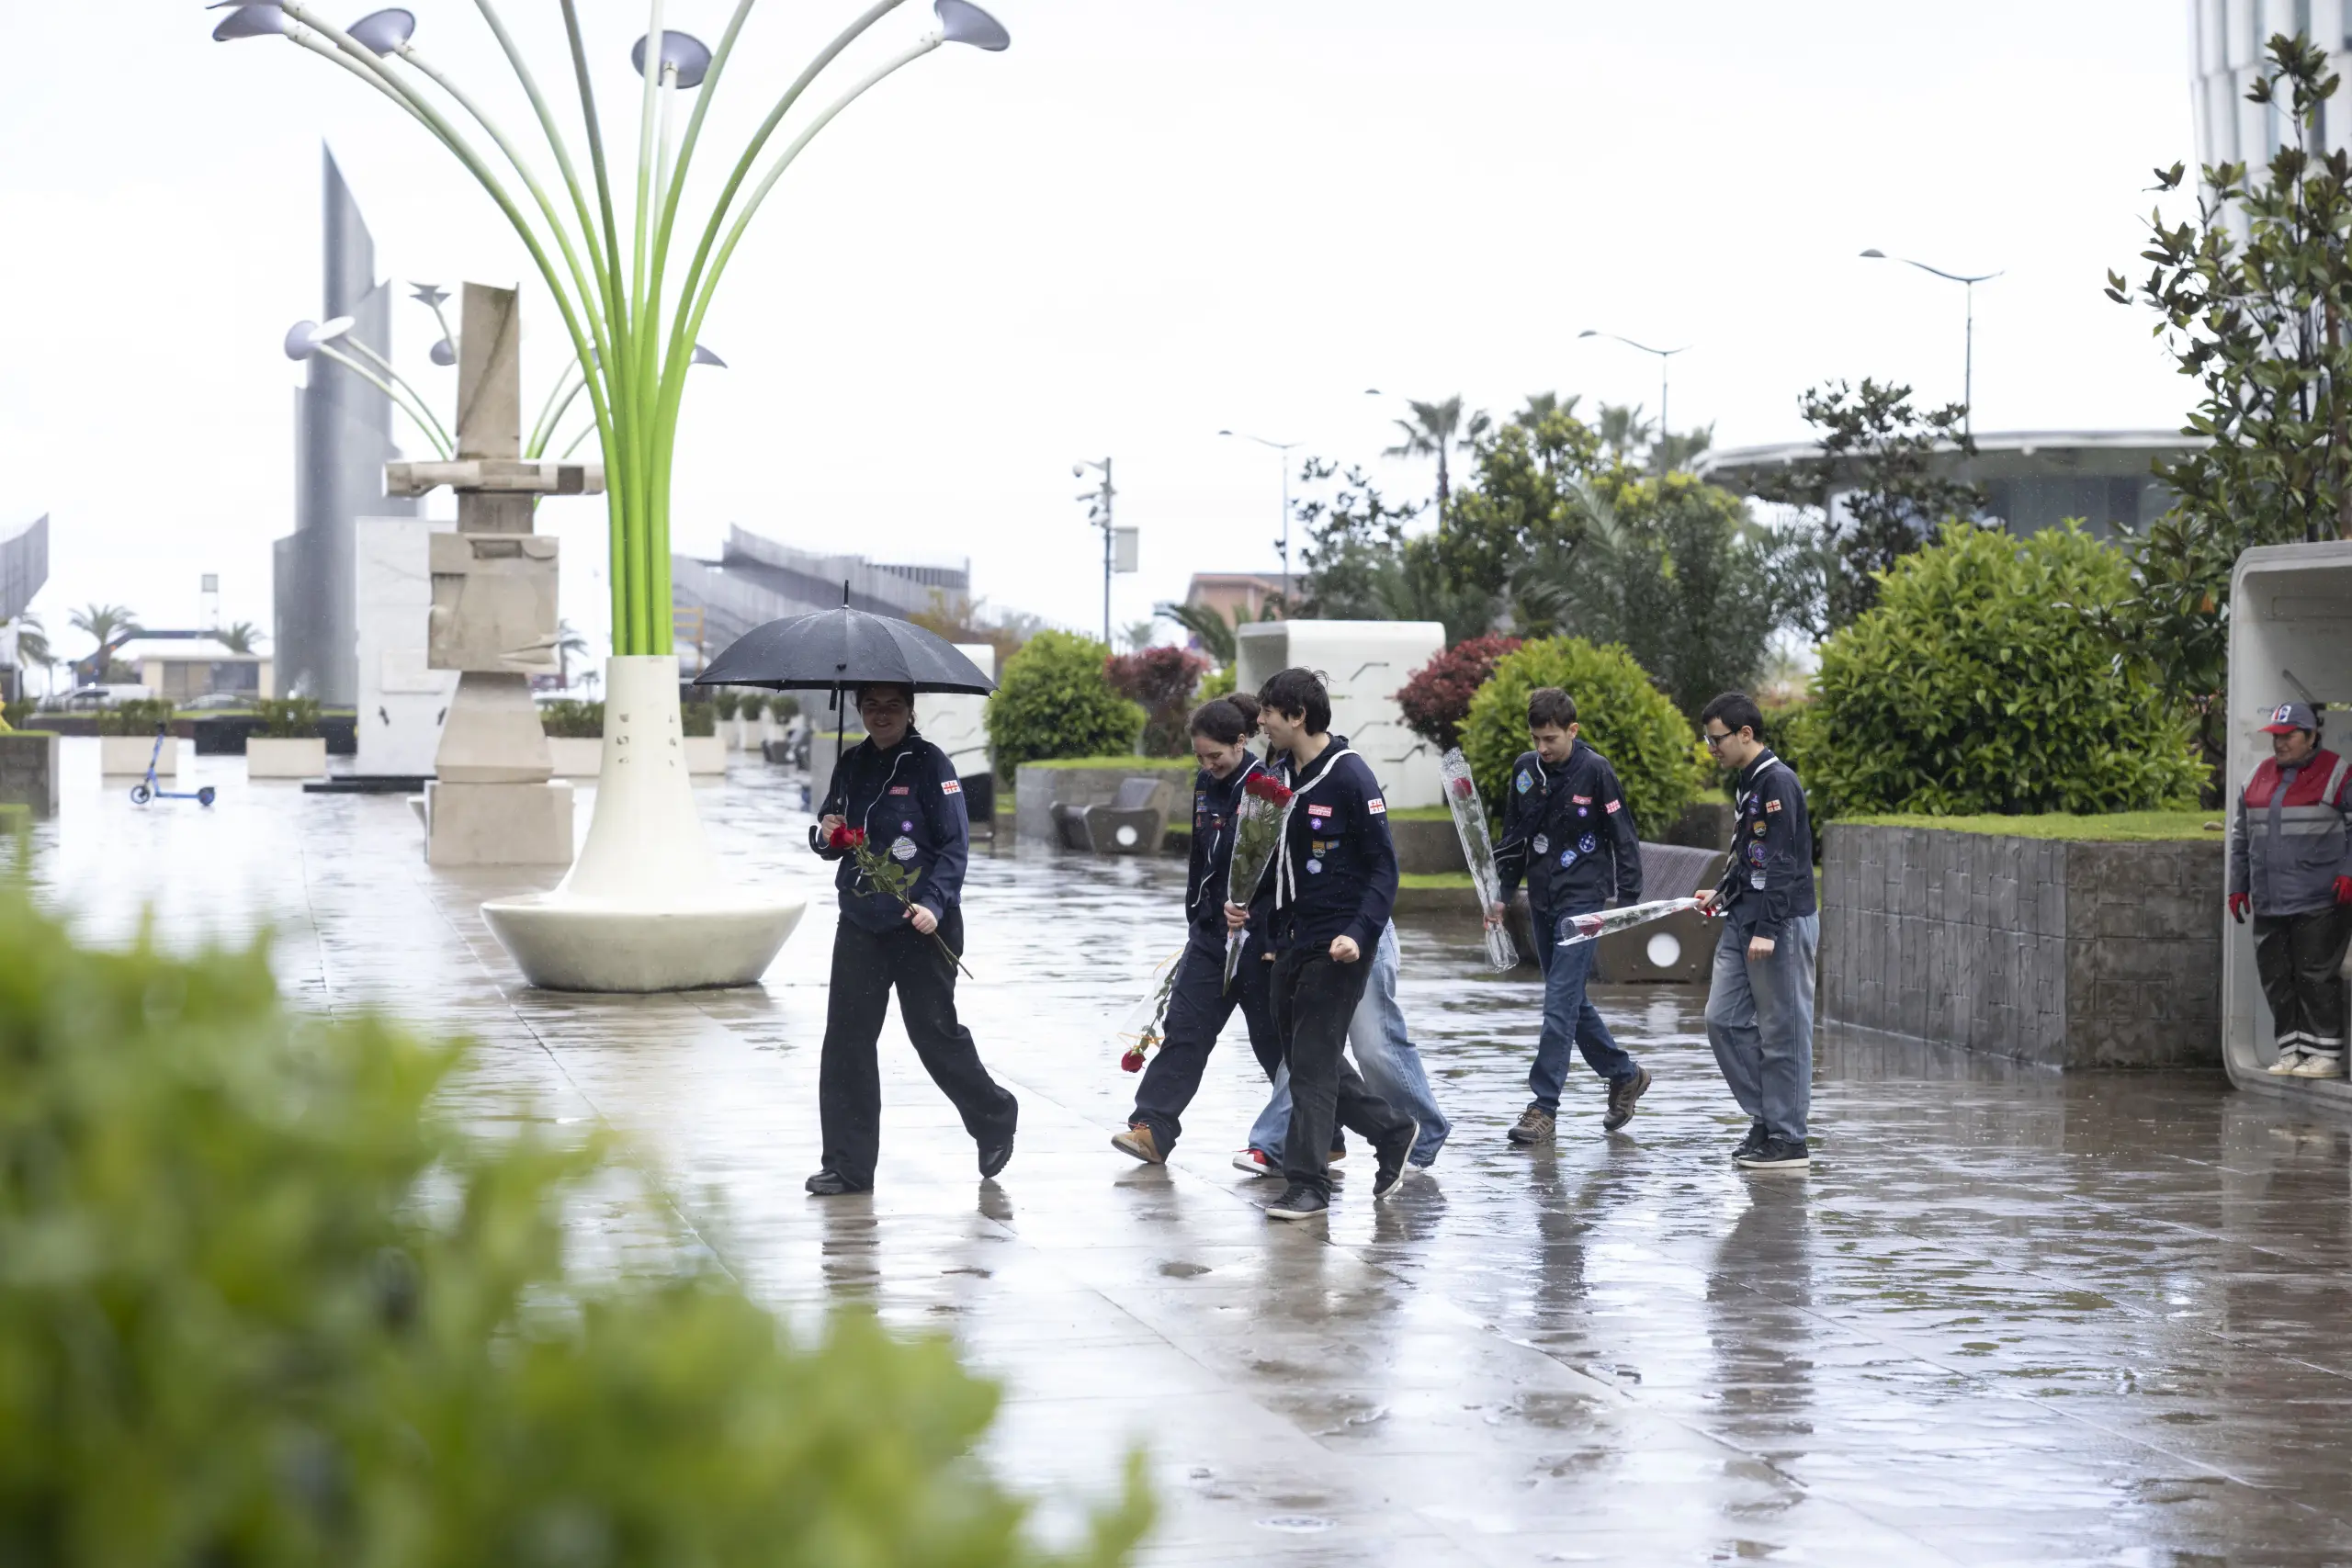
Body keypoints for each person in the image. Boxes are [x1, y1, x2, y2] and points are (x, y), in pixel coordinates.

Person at [804, 682, 1018, 1195]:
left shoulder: (931, 764)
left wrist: (934, 903)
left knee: (933, 1036)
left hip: (921, 924)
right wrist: (827, 832)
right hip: (860, 922)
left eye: (892, 707)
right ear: (858, 709)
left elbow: (954, 845)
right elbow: (829, 840)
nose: (882, 716)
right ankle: (847, 1167)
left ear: (909, 710)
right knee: (847, 1044)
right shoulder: (849, 764)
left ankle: (994, 1115)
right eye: (872, 706)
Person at [1233, 667, 1419, 1221]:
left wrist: (1358, 936)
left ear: (1298, 717)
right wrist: (1247, 910)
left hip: (1337, 943)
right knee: (1305, 1056)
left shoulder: (1350, 777)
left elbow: (1385, 869)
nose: (1260, 720)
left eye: (1268, 712)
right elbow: (1270, 860)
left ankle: (1308, 1183)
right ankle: (1391, 1130)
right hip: (1287, 939)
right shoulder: (1278, 775)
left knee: (1312, 1065)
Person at [1112, 694, 1285, 1164]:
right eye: (1201, 757)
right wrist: (1197, 915)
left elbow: (1279, 870)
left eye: (1217, 756)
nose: (1210, 766)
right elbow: (1199, 858)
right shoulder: (1205, 785)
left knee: (1273, 1042)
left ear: (1242, 742)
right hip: (1210, 938)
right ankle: (1152, 1126)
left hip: (1258, 941)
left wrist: (1255, 912)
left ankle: (1323, 1129)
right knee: (1186, 1029)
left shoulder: (1268, 789)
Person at [1488, 686, 1650, 1143]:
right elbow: (1513, 836)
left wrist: (1628, 898)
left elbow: (1624, 836)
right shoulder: (1525, 771)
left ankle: (1543, 1107)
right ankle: (1624, 1074)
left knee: (1559, 1002)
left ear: (1572, 731)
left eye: (1552, 739)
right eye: (1537, 738)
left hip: (1583, 901)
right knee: (1571, 1002)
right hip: (1542, 899)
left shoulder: (1596, 771)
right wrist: (1502, 891)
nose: (1543, 748)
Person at [1693, 693, 1817, 1171]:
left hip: (1778, 924)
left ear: (1746, 734)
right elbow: (1752, 854)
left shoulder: (1778, 782)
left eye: (1716, 738)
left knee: (1784, 1031)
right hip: (1742, 918)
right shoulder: (1748, 782)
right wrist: (1722, 892)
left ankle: (1788, 1138)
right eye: (1708, 740)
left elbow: (1785, 860)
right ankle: (1769, 1117)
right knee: (1721, 1020)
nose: (1711, 748)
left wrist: (1768, 928)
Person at [1233, 918, 1453, 1176]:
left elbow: (1381, 880)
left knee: (1375, 1045)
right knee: (1306, 1040)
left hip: (1363, 928)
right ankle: (1275, 1144)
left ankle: (1422, 1137)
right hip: (1308, 932)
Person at [2229, 701, 2352, 1078]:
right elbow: (2240, 836)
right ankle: (2292, 1051)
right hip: (2270, 898)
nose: (2280, 744)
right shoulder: (2257, 777)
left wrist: (2349, 871)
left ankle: (2326, 1055)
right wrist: (2239, 886)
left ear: (2311, 736)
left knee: (2315, 976)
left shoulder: (2338, 773)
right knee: (2277, 977)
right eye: (2276, 737)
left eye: (2289, 736)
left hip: (2320, 898)